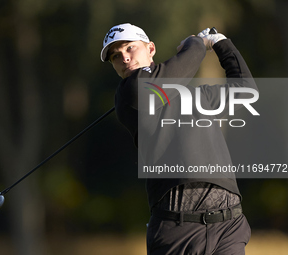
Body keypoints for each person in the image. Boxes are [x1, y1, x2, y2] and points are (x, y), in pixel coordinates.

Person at [100, 23, 257, 255]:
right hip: (178, 227)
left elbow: (244, 91)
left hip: (228, 223)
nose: (124, 58)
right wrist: (197, 43)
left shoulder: (196, 96)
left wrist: (222, 43)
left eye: (130, 48)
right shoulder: (129, 93)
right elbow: (186, 62)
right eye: (115, 56)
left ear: (150, 49)